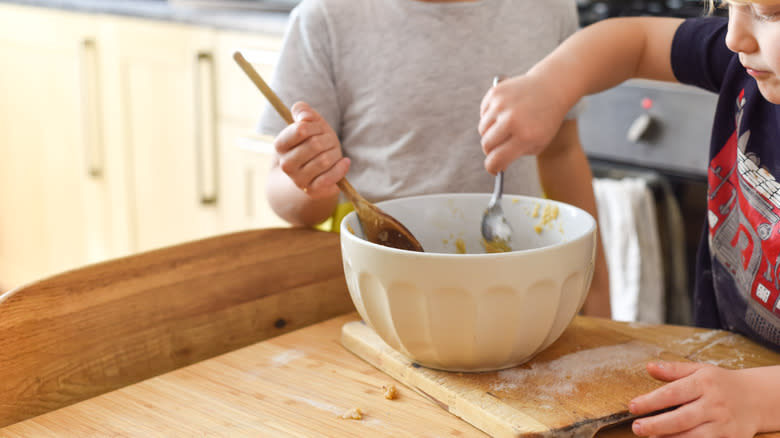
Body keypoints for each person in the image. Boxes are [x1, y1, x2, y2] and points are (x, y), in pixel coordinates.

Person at [478, 0, 780, 436]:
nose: (734, 37)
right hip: (721, 381)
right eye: (729, 4)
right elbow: (635, 42)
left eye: (769, 12)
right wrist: (550, 85)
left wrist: (758, 399)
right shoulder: (743, 63)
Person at [258, 0, 611, 318]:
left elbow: (562, 153)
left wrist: (595, 290)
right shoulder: (325, 18)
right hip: (379, 301)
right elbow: (286, 195)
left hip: (521, 294)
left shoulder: (548, 9)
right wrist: (312, 182)